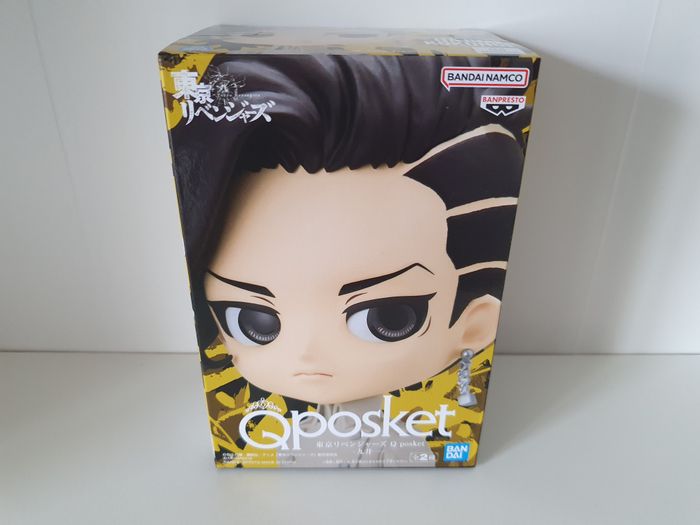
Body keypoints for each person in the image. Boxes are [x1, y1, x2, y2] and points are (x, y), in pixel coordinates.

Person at [168, 53, 534, 466]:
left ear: (476, 322)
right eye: (252, 321)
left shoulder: (400, 449)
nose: (307, 354)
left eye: (387, 318)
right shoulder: (278, 440)